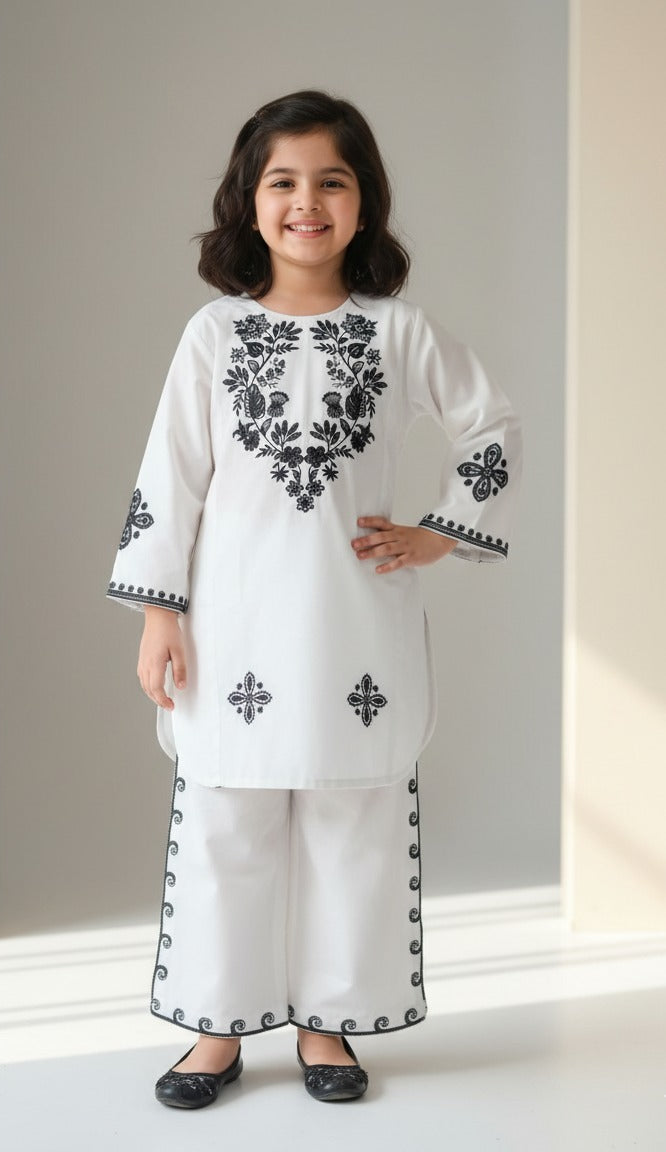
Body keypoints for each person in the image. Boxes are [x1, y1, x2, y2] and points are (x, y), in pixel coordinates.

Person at [106, 89, 522, 1108]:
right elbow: (170, 477)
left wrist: (441, 530)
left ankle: (326, 1024)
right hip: (231, 625)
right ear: (248, 203)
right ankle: (214, 1030)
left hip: (353, 628)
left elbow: (491, 427)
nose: (305, 202)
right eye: (282, 182)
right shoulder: (214, 335)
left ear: (362, 201)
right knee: (226, 823)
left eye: (330, 182)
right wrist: (160, 614)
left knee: (351, 822)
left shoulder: (397, 333)